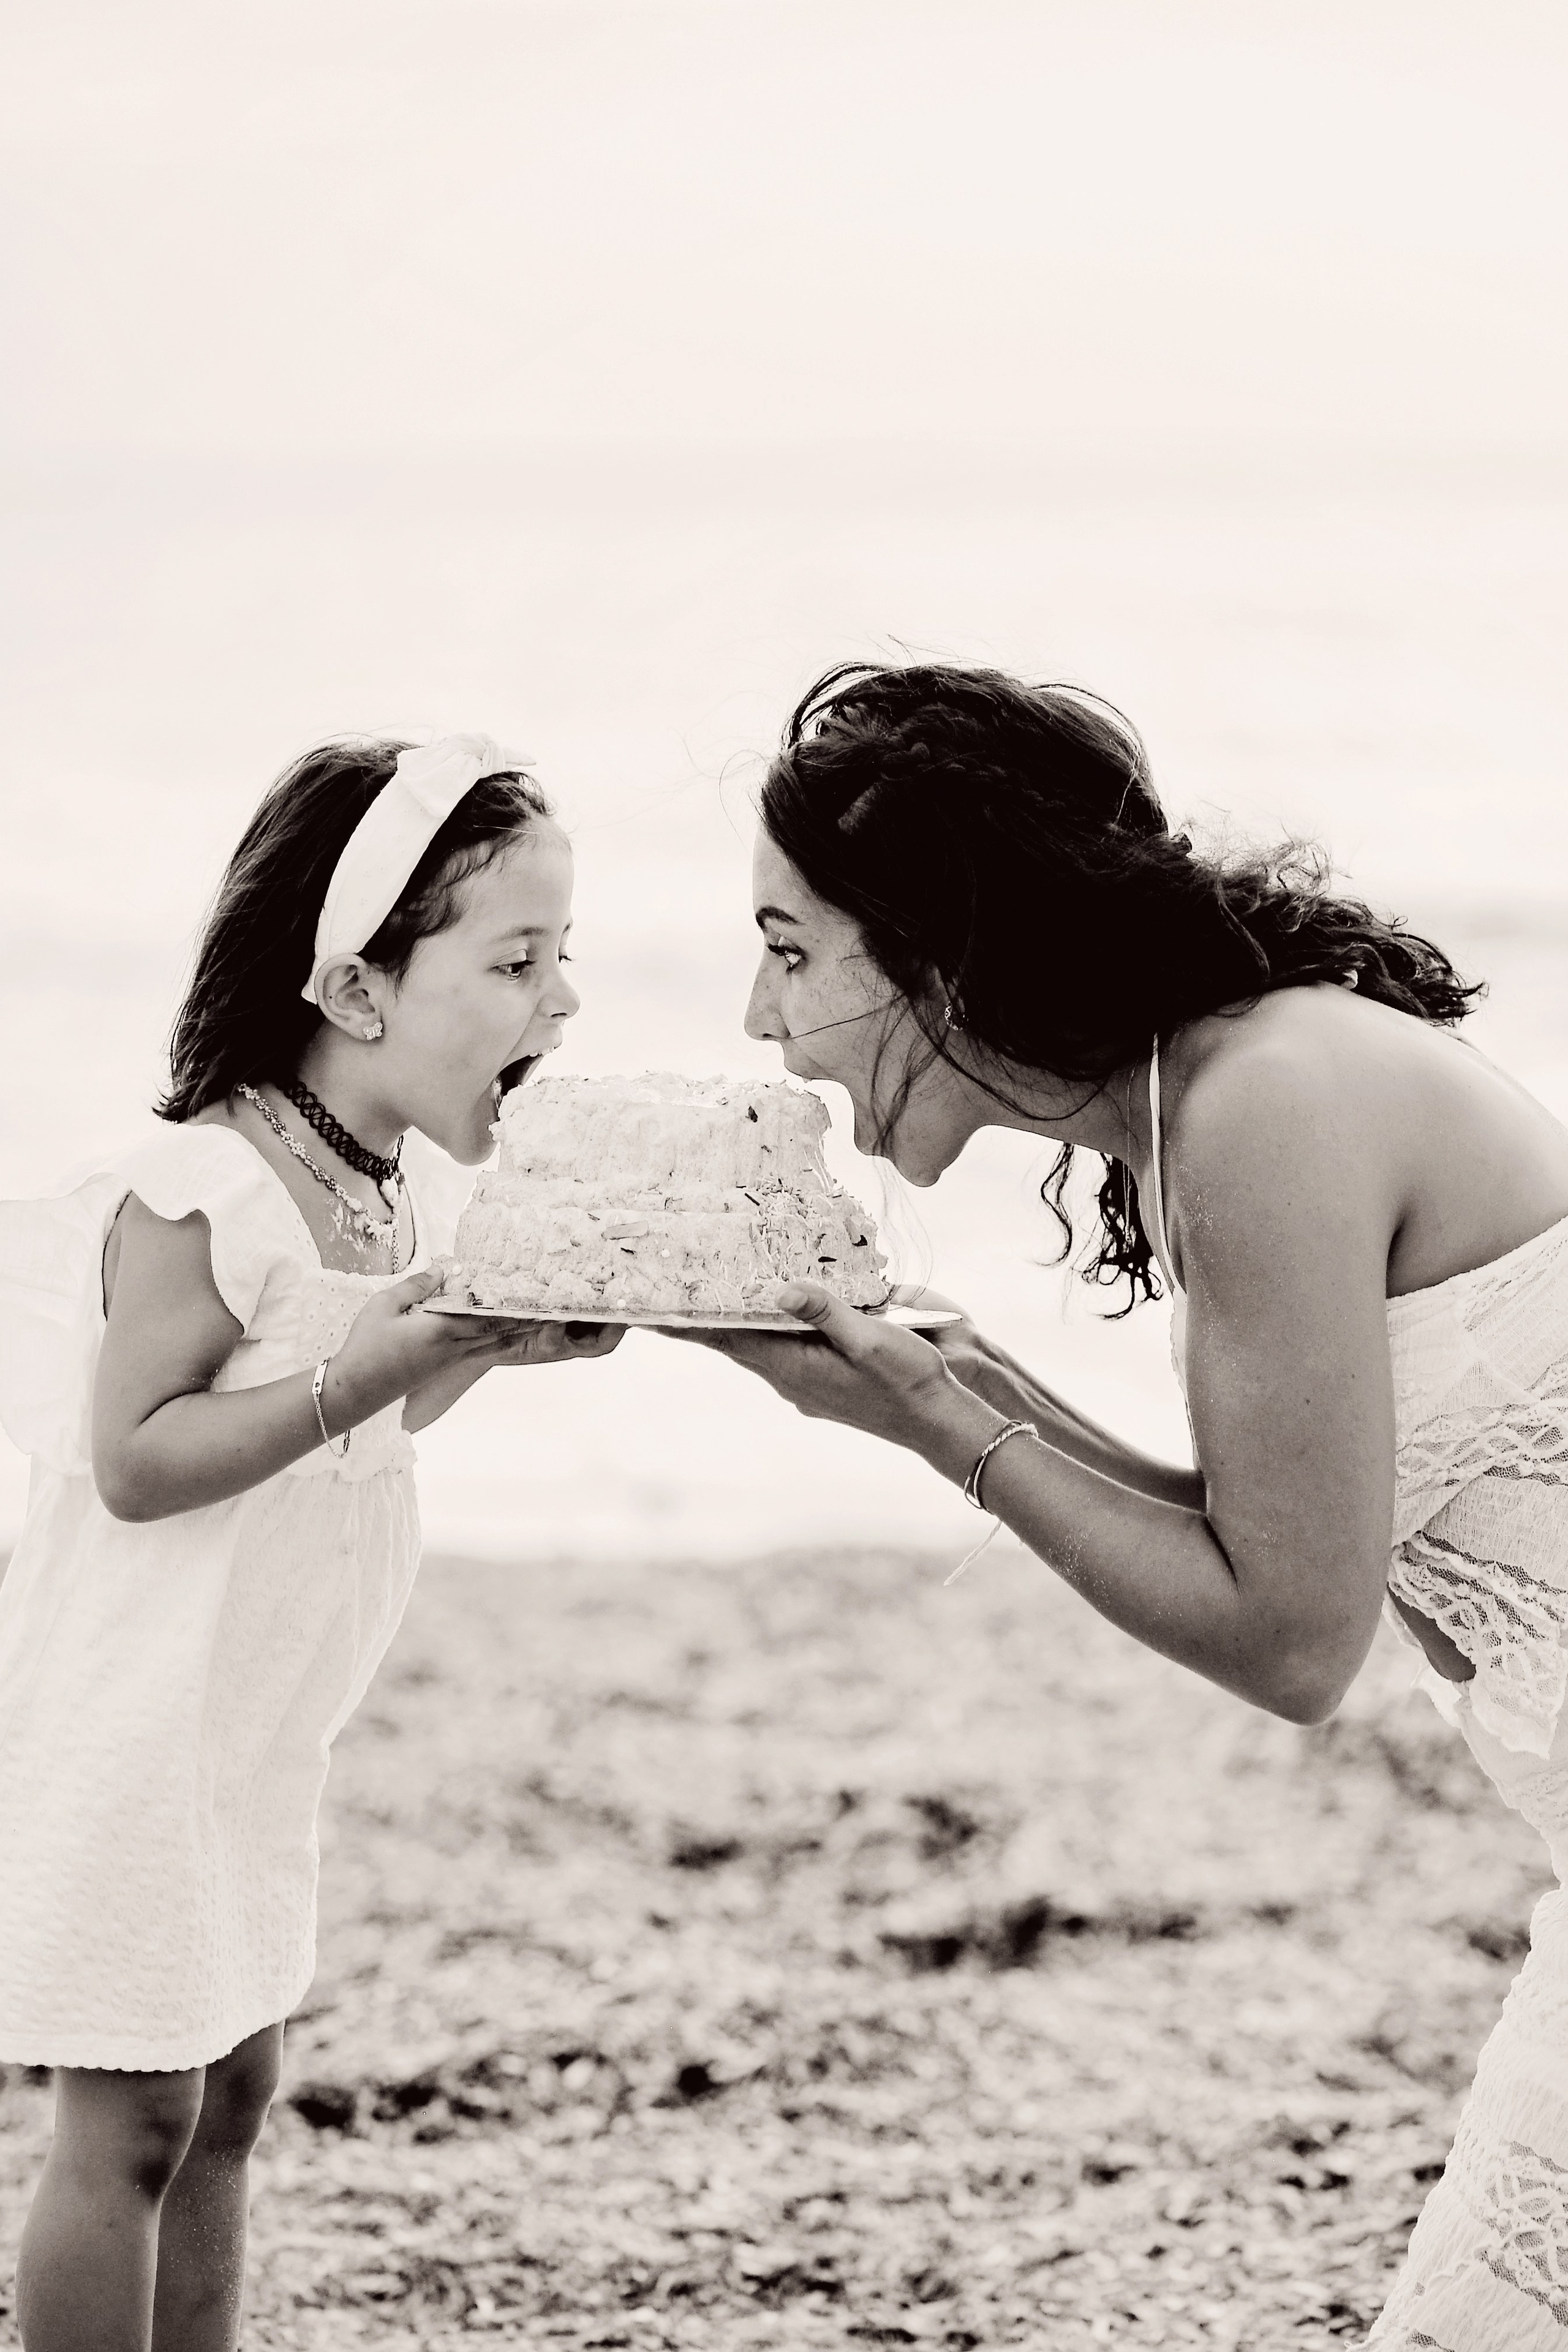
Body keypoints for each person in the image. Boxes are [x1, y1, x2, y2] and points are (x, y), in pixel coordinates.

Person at [689, 658, 1568, 2346]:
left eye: (791, 948)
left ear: (945, 949)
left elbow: (1293, 1638)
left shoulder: (1264, 1105)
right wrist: (936, 1391)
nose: (756, 1014)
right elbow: (1282, 1529)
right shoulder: (1202, 1105)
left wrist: (945, 1424)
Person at [0, 734, 619, 2352]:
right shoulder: (213, 1186)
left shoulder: (380, 1189)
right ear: (353, 989)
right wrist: (378, 1365)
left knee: (233, 2090)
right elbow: (139, 1462)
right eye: (517, 961)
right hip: (133, 1724)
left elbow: (353, 1440)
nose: (563, 1003)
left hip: (251, 1729)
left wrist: (473, 1346)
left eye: (569, 959)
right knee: (127, 2116)